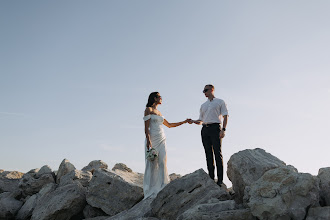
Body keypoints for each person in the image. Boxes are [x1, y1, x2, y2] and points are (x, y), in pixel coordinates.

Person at [143, 92, 189, 199]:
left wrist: (184, 121)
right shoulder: (148, 109)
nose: (161, 98)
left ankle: (163, 187)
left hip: (162, 138)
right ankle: (150, 190)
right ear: (154, 98)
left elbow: (169, 125)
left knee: (162, 161)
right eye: (160, 97)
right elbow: (146, 128)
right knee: (152, 164)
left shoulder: (159, 112)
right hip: (152, 139)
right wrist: (148, 140)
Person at [188, 84, 229, 186]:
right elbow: (201, 120)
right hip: (205, 129)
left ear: (212, 90)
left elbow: (225, 116)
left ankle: (220, 181)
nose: (204, 92)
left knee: (217, 154)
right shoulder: (203, 105)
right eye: (203, 91)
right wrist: (193, 121)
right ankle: (211, 179)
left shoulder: (220, 102)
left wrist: (223, 129)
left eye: (206, 90)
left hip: (216, 128)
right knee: (208, 154)